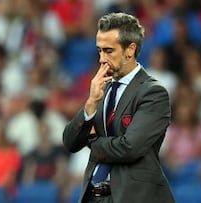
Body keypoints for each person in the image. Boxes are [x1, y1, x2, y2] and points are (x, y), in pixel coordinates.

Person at [62, 13, 175, 203]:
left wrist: (93, 142)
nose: (101, 59)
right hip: (93, 196)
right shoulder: (102, 89)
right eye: (99, 51)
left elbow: (130, 147)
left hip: (132, 196)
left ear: (130, 50)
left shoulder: (153, 93)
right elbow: (70, 142)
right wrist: (90, 104)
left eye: (108, 51)